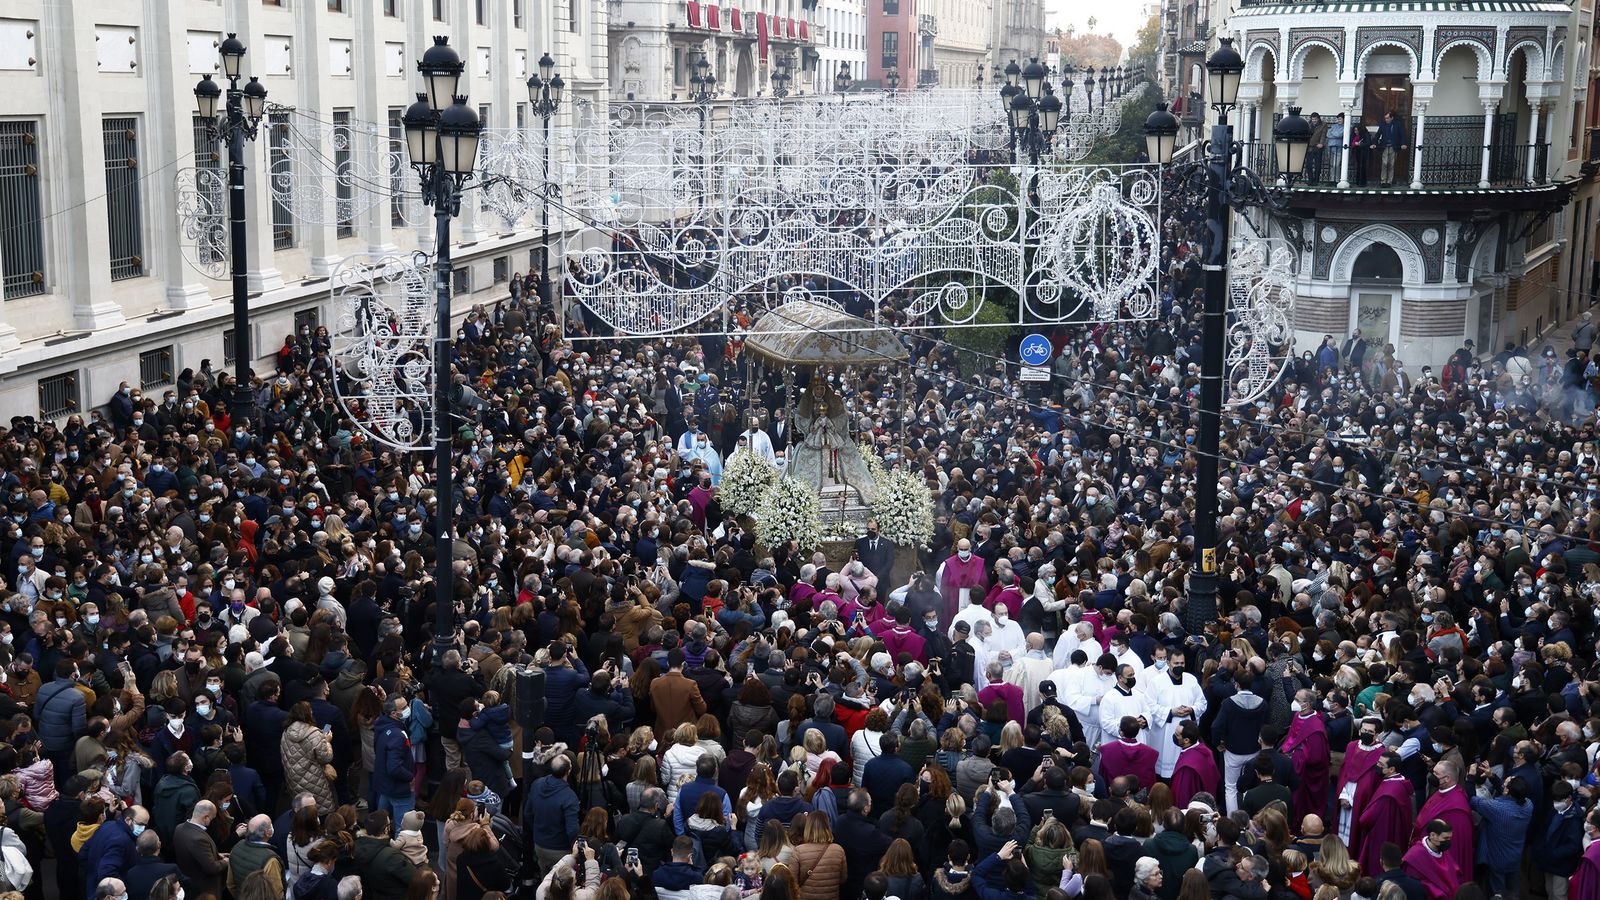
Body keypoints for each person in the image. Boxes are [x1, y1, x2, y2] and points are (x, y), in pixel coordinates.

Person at [1376, 110, 1408, 187]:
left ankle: (1389, 181)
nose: (1386, 120)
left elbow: (1402, 135)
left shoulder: (1398, 125)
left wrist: (1403, 144)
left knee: (1391, 164)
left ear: (1392, 118)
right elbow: (1378, 134)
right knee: (1384, 163)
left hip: (1393, 147)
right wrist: (1374, 143)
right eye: (1385, 118)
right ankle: (1383, 181)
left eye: (1387, 118)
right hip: (1385, 147)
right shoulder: (1383, 125)